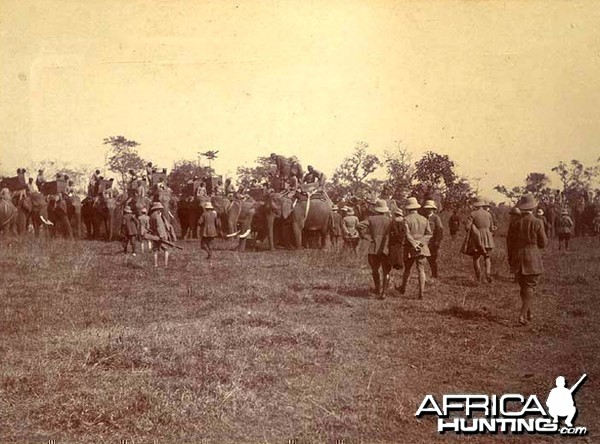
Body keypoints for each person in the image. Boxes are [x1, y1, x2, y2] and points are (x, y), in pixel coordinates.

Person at [508, 193, 548, 325]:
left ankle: (528, 312)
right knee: (530, 286)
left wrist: (511, 258)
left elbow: (510, 243)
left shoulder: (515, 222)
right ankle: (522, 314)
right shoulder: (537, 222)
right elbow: (543, 243)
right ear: (533, 207)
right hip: (532, 257)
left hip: (518, 257)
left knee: (523, 287)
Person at [357, 199, 393, 299]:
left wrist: (364, 235)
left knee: (375, 269)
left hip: (373, 247)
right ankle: (384, 292)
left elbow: (359, 225)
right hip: (386, 247)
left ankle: (377, 288)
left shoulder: (371, 219)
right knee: (386, 270)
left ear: (376, 209)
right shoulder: (390, 220)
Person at [398, 197, 432, 299]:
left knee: (407, 269)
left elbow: (407, 235)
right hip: (422, 248)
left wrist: (414, 244)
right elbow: (429, 234)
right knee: (421, 270)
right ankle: (421, 293)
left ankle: (403, 288)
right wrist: (420, 243)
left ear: (408, 208)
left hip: (410, 248)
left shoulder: (406, 219)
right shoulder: (424, 219)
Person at [465, 198, 495, 283]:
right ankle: (488, 274)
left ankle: (478, 276)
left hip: (476, 238)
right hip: (487, 237)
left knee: (476, 257)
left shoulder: (473, 214)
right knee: (487, 257)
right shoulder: (488, 214)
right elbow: (491, 228)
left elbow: (467, 227)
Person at [423, 200, 443, 280]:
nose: (429, 210)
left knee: (432, 259)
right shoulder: (423, 217)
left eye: (430, 208)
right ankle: (423, 275)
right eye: (427, 208)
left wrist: (437, 241)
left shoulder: (436, 218)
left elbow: (440, 230)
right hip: (424, 241)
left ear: (433, 209)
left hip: (432, 241)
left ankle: (434, 274)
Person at [148, 202, 173, 268]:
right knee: (166, 249)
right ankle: (165, 265)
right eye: (160, 209)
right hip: (160, 235)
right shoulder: (157, 216)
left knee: (155, 250)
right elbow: (160, 227)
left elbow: (149, 227)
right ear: (158, 209)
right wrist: (162, 236)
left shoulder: (151, 216)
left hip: (154, 235)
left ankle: (155, 265)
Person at [388, 208, 406, 274]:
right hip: (401, 239)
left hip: (394, 239)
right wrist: (401, 237)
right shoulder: (403, 221)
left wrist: (394, 236)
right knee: (400, 252)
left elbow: (392, 230)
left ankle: (394, 263)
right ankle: (399, 264)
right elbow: (404, 231)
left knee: (393, 251)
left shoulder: (393, 221)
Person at [506, 206, 522, 281]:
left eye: (514, 214)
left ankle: (517, 277)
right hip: (511, 243)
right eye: (512, 214)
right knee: (512, 258)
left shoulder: (520, 223)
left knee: (517, 259)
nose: (512, 216)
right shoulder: (512, 222)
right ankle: (516, 276)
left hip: (517, 243)